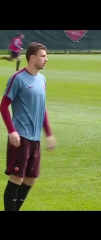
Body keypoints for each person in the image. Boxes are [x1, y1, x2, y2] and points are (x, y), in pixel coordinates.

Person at [0, 42, 56, 211]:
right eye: (43, 56)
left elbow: (42, 108)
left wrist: (49, 134)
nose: (46, 59)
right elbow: (3, 106)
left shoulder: (42, 79)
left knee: (31, 178)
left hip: (35, 138)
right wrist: (12, 131)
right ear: (32, 58)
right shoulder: (17, 79)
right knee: (17, 178)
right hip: (21, 137)